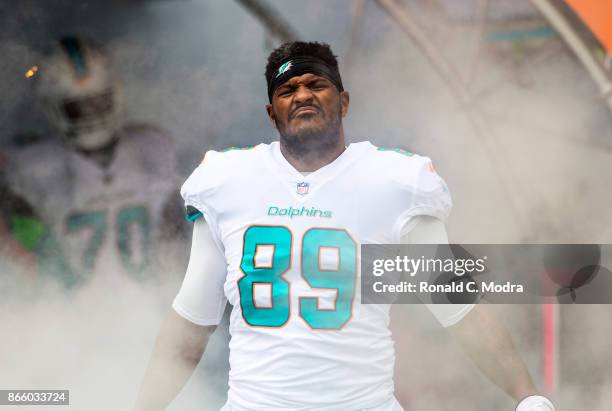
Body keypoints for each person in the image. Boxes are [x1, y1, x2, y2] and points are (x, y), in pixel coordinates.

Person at [134, 41, 555, 411]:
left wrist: (527, 394)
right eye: (287, 90)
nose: (302, 95)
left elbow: (458, 307)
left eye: (316, 85)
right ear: (271, 112)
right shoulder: (227, 181)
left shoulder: (393, 182)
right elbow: (192, 318)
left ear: (344, 101)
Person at [0, 36, 183, 287]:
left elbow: (175, 240)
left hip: (114, 307)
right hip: (93, 312)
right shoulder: (153, 147)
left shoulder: (151, 147)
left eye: (97, 102)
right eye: (77, 108)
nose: (90, 115)